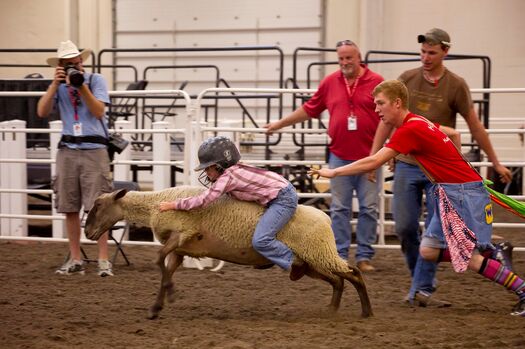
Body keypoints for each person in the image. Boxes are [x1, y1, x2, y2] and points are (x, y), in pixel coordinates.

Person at [310, 79, 525, 317]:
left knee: (469, 258)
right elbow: (452, 135)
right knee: (429, 251)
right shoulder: (418, 121)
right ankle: (493, 253)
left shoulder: (410, 129)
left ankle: (521, 289)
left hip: (460, 194)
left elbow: (374, 161)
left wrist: (334, 172)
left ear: (397, 103)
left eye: (381, 103)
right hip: (457, 191)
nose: (376, 109)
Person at [371, 28, 513, 305]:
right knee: (404, 227)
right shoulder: (407, 79)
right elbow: (386, 120)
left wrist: (495, 161)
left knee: (437, 234)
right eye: (423, 52)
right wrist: (377, 154)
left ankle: (421, 289)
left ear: (445, 52)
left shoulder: (456, 85)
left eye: (431, 52)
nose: (425, 57)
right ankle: (421, 281)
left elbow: (474, 125)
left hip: (438, 173)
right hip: (407, 165)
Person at [264, 40, 384, 272]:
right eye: (341, 58)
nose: (344, 62)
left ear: (359, 57)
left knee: (369, 207)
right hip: (339, 155)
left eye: (349, 57)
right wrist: (280, 124)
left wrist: (382, 154)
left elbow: (387, 116)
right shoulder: (330, 82)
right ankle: (339, 254)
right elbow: (310, 108)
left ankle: (364, 256)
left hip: (369, 156)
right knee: (339, 207)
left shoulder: (377, 82)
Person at [159, 136, 304, 276]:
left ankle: (295, 262)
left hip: (282, 199)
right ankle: (268, 258)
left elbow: (204, 199)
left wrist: (174, 204)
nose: (206, 172)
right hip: (279, 193)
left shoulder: (227, 178)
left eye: (208, 168)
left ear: (220, 166)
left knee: (260, 240)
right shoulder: (234, 169)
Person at [37, 40, 114, 276]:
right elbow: (41, 111)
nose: (74, 68)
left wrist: (81, 87)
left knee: (99, 207)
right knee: (69, 207)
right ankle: (75, 258)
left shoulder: (95, 80)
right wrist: (54, 84)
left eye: (77, 63)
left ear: (82, 62)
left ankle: (103, 261)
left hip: (94, 149)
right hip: (68, 149)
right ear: (60, 65)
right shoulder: (58, 86)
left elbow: (99, 111)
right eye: (69, 64)